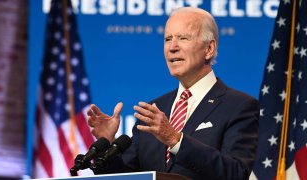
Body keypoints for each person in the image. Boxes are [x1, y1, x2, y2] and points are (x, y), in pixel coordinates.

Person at [87, 7, 259, 180]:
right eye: (168, 39)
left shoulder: (239, 106)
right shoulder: (154, 111)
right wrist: (107, 142)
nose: (172, 47)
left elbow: (237, 173)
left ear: (209, 48)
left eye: (183, 38)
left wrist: (176, 140)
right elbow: (127, 176)